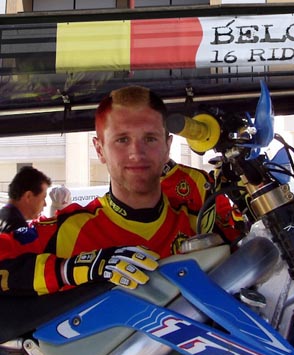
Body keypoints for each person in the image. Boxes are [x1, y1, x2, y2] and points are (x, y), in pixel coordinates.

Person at [0, 86, 238, 297]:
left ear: (167, 147)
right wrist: (73, 269)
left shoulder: (201, 221)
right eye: (122, 140)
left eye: (150, 138)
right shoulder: (67, 230)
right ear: (100, 149)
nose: (137, 153)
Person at [0, 166, 51, 233]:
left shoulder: (3, 216)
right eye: (43, 198)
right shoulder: (18, 229)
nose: (45, 204)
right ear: (28, 196)